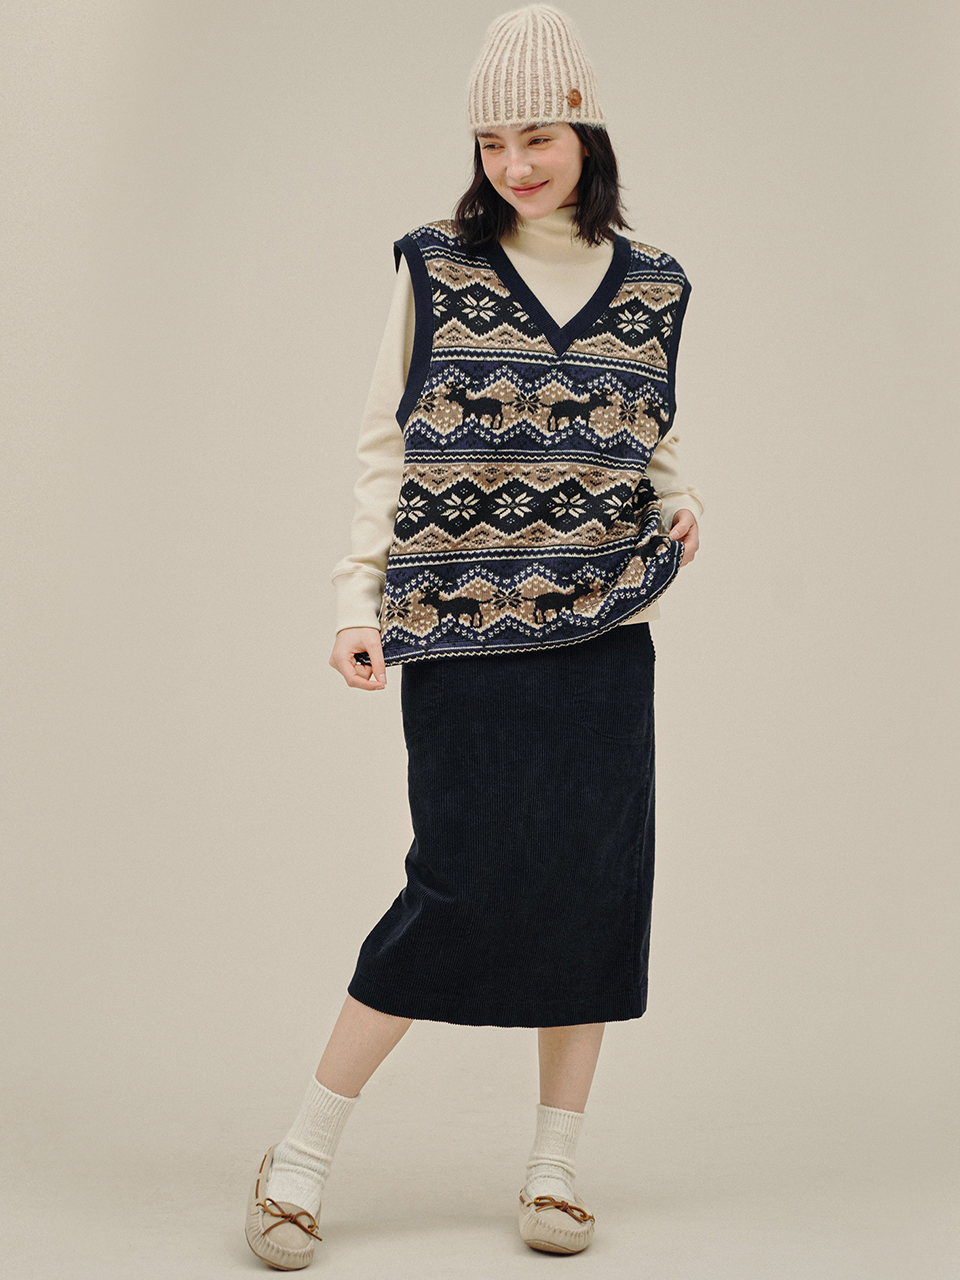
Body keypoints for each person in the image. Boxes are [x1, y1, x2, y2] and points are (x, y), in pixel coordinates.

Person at [245, 3, 704, 1268]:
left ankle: (553, 1170)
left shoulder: (658, 283)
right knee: (458, 883)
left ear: (586, 131)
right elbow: (383, 441)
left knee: (597, 889)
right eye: (492, 142)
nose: (514, 164)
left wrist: (682, 500)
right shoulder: (436, 268)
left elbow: (654, 427)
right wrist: (356, 600)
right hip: (458, 624)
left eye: (537, 136)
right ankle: (300, 1152)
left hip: (604, 624)